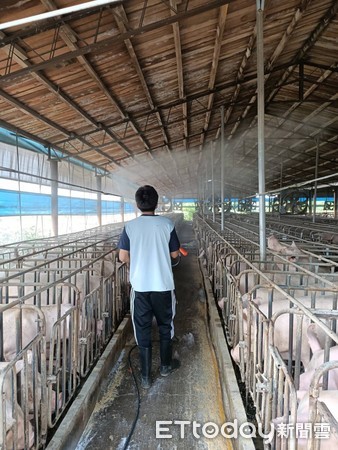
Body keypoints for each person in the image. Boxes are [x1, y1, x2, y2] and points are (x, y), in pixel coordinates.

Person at [118, 185, 181, 389]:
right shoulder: (167, 224)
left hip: (141, 287)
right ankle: (165, 366)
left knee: (142, 328)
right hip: (163, 285)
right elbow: (174, 255)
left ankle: (145, 376)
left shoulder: (130, 227)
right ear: (157, 203)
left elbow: (122, 256)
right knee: (166, 325)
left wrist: (136, 262)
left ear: (137, 204)